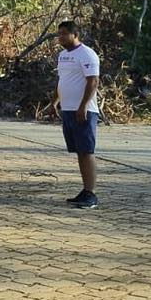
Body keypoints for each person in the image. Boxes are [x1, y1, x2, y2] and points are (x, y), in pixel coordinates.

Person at [51, 20, 100, 210]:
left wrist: (84, 106)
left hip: (83, 111)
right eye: (59, 34)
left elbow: (93, 81)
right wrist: (54, 102)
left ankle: (91, 194)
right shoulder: (63, 56)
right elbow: (61, 80)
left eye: (64, 33)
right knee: (79, 151)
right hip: (68, 109)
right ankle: (85, 191)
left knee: (87, 151)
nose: (60, 37)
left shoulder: (87, 54)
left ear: (75, 34)